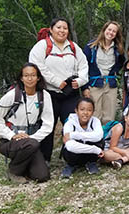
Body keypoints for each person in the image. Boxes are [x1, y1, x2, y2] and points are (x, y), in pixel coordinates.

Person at [29, 17, 88, 162]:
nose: (62, 31)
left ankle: (72, 158)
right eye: (59, 27)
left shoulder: (73, 47)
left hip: (71, 94)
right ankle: (43, 159)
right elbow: (36, 67)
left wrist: (79, 81)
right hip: (50, 94)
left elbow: (84, 66)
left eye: (65, 28)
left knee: (72, 125)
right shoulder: (42, 46)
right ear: (51, 29)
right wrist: (57, 82)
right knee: (47, 126)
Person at [0, 63, 54, 183]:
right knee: (31, 145)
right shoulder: (12, 95)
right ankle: (14, 171)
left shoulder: (44, 96)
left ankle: (25, 167)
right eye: (26, 75)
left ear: (38, 77)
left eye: (33, 75)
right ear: (21, 78)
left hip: (32, 140)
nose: (30, 79)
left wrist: (33, 138)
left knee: (42, 176)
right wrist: (11, 135)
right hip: (10, 142)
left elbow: (48, 124)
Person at [82, 21, 125, 123]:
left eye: (114, 31)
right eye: (109, 29)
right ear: (104, 30)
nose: (111, 33)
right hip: (95, 84)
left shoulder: (117, 49)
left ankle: (107, 137)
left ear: (116, 34)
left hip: (110, 85)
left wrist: (113, 72)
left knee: (109, 115)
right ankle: (94, 137)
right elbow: (82, 67)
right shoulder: (91, 47)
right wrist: (84, 87)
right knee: (95, 113)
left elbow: (120, 63)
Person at [60, 98, 104, 178]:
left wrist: (73, 135)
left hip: (89, 155)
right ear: (76, 111)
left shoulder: (95, 121)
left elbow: (98, 136)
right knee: (69, 147)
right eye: (82, 109)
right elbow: (70, 145)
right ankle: (71, 165)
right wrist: (95, 149)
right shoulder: (70, 123)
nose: (85, 113)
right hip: (74, 156)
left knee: (100, 141)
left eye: (89, 110)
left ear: (93, 112)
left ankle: (91, 163)